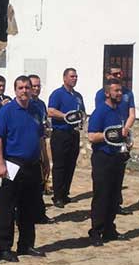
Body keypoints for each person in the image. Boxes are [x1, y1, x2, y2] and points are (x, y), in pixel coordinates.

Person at [0, 76, 46, 262]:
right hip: (13, 164)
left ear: (32, 90)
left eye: (27, 87)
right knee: (7, 207)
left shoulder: (36, 110)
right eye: (21, 88)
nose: (24, 91)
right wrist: (0, 163)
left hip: (32, 165)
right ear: (15, 90)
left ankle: (26, 244)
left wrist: (45, 161)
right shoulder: (6, 111)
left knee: (29, 207)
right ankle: (4, 247)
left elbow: (40, 138)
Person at [87, 78, 130, 246]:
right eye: (116, 91)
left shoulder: (119, 111)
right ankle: (96, 231)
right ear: (107, 93)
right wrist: (108, 136)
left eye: (120, 91)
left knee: (114, 195)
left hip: (117, 158)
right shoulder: (100, 112)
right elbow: (92, 136)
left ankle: (109, 229)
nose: (120, 94)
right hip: (102, 158)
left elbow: (121, 132)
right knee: (102, 195)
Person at [95, 67, 136, 214]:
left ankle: (116, 204)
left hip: (123, 134)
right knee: (105, 180)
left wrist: (125, 129)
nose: (118, 75)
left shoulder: (128, 93)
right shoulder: (101, 94)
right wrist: (113, 133)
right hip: (109, 139)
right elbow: (101, 115)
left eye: (120, 73)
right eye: (114, 74)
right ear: (108, 76)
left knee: (119, 173)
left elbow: (132, 113)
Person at [47, 68, 85, 206]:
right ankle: (57, 196)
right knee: (60, 165)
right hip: (60, 134)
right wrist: (65, 116)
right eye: (72, 76)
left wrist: (81, 119)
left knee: (70, 164)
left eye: (76, 76)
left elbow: (82, 113)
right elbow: (50, 111)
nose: (74, 78)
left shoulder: (78, 96)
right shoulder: (57, 94)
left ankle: (65, 193)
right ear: (64, 78)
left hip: (74, 134)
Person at [28, 74, 52, 222]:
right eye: (33, 86)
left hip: (40, 145)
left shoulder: (41, 105)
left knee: (40, 181)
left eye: (38, 86)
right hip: (25, 150)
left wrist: (46, 157)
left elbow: (43, 126)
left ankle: (39, 213)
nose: (36, 89)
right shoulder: (23, 104)